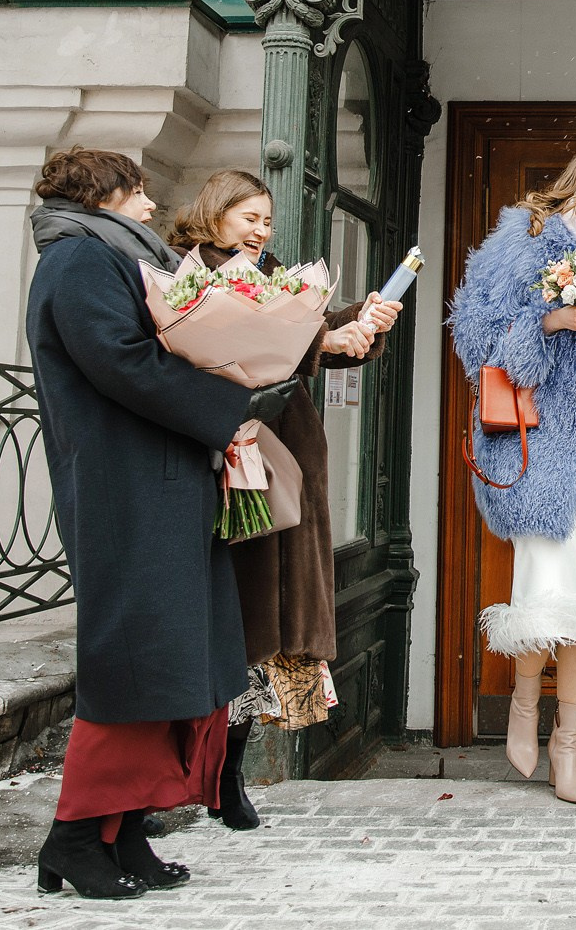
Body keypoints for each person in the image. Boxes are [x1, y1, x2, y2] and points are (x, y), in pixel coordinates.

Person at [25, 148, 301, 899]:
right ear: (104, 195)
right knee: (135, 660)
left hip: (161, 482)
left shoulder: (109, 255)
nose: (150, 204)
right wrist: (228, 404)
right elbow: (120, 360)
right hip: (128, 489)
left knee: (171, 658)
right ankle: (77, 836)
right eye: (137, 190)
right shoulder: (79, 260)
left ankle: (125, 831)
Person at [163, 169, 401, 831]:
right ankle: (188, 777)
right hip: (229, 460)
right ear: (213, 215)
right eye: (249, 216)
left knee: (264, 633)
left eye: (267, 218)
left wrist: (359, 321)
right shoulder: (193, 278)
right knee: (228, 622)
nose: (262, 228)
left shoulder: (271, 276)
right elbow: (228, 347)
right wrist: (316, 339)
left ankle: (227, 775)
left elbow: (310, 333)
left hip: (282, 463)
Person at [450, 140, 576, 804]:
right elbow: (474, 332)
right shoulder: (533, 235)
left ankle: (568, 743)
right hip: (542, 452)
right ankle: (522, 702)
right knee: (543, 592)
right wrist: (552, 319)